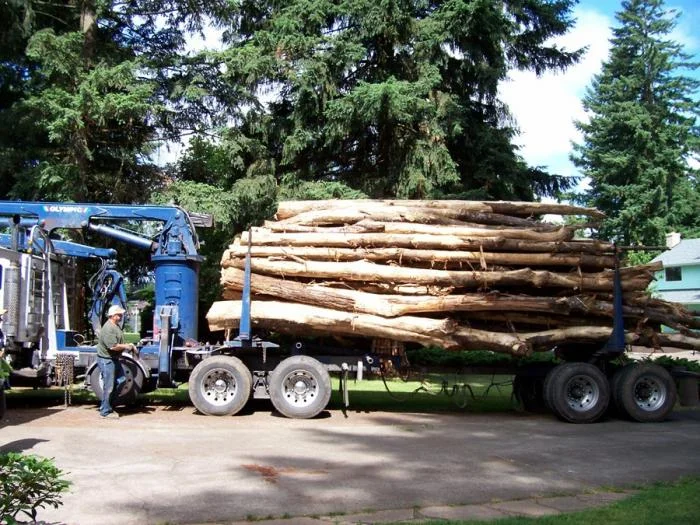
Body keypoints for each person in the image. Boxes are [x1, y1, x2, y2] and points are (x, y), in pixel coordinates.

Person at [96, 304, 136, 419]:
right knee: (109, 386)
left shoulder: (115, 326)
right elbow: (112, 347)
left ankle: (109, 406)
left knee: (122, 380)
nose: (121, 315)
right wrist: (127, 346)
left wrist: (128, 345)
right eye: (119, 314)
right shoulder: (108, 328)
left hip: (113, 359)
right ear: (113, 316)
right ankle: (105, 411)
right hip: (107, 360)